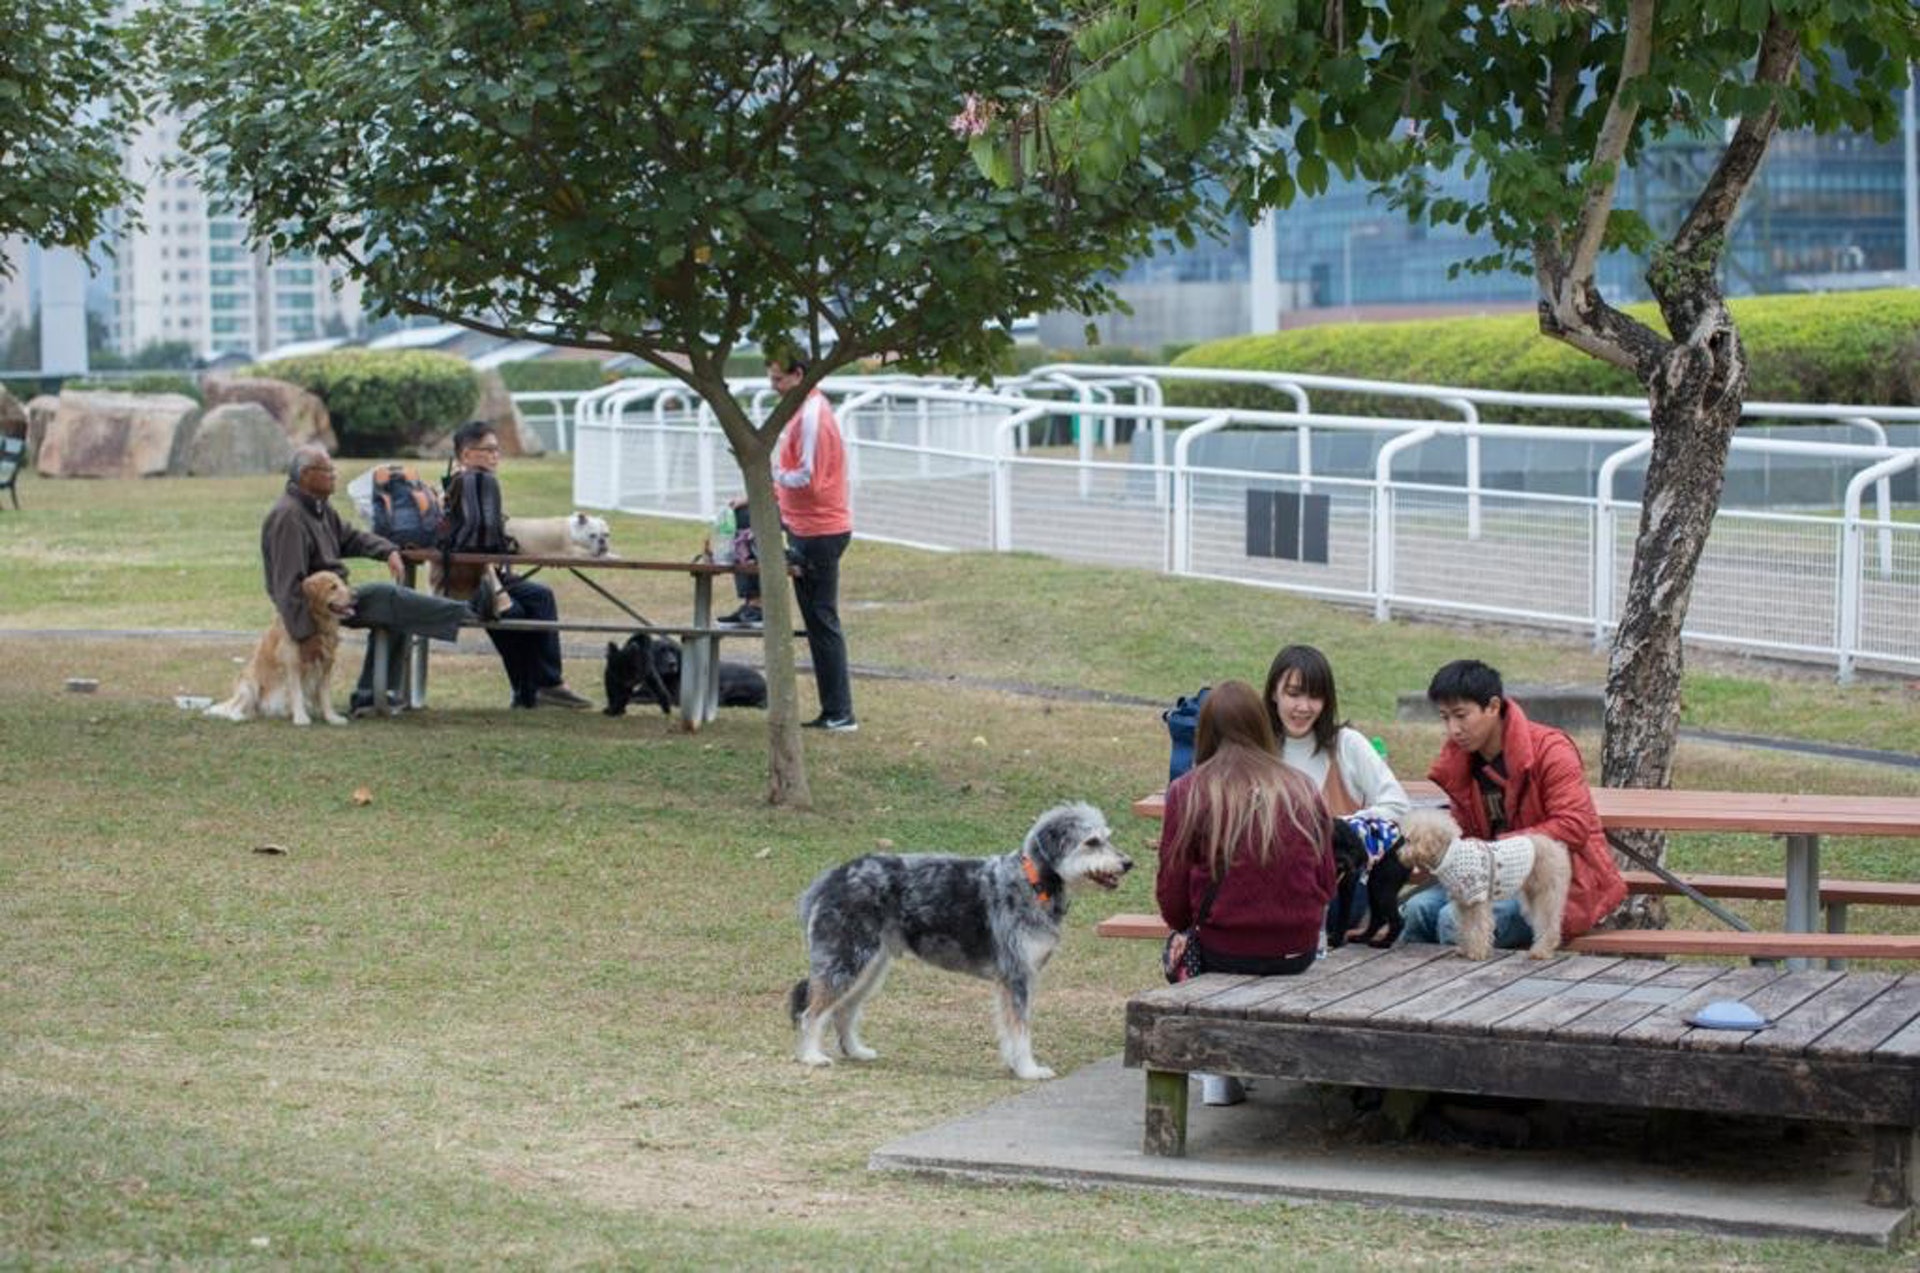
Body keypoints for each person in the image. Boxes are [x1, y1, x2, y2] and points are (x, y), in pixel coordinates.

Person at [1156, 680, 1334, 1106]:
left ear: (1204, 732)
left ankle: (1214, 1069)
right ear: (1261, 725)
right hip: (1297, 951)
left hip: (1222, 950)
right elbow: (1326, 884)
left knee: (1178, 948)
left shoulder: (1188, 791)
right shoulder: (1302, 788)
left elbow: (1172, 901)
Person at [1401, 659, 1627, 949]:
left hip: (1552, 885)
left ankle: (1470, 992)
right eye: (1445, 718)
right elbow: (1465, 835)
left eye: (1461, 715)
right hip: (1486, 878)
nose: (1453, 729)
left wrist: (1501, 850)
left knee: (1451, 920)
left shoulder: (1550, 750)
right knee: (1416, 911)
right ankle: (1414, 991)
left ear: (1493, 707)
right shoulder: (1458, 761)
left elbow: (1574, 824)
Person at [262, 445, 479, 717]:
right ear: (306, 475)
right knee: (386, 596)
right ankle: (467, 611)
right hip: (318, 611)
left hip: (340, 597)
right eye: (328, 470)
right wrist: (305, 635)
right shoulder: (289, 517)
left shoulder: (318, 508)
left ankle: (372, 696)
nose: (335, 475)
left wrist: (388, 550)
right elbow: (288, 587)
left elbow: (351, 538)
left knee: (399, 609)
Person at [1264, 644, 1410, 942]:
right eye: (1293, 694)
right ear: (1273, 694)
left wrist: (1344, 828)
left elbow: (1397, 805)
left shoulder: (1347, 744)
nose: (1303, 707)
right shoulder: (1260, 749)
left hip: (1338, 887)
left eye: (1314, 696)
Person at [441, 420, 592, 710]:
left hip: (483, 574)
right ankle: (534, 689)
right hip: (466, 582)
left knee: (540, 596)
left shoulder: (457, 481)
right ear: (467, 454)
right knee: (514, 612)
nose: (495, 456)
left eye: (498, 450)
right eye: (489, 450)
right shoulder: (477, 481)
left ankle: (544, 685)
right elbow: (478, 539)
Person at [766, 357, 856, 732]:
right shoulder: (802, 410)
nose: (774, 386)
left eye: (778, 379)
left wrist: (767, 474)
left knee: (822, 622)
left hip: (819, 530)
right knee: (819, 623)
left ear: (798, 375)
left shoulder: (812, 415)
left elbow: (808, 477)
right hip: (807, 526)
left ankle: (839, 712)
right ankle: (834, 710)